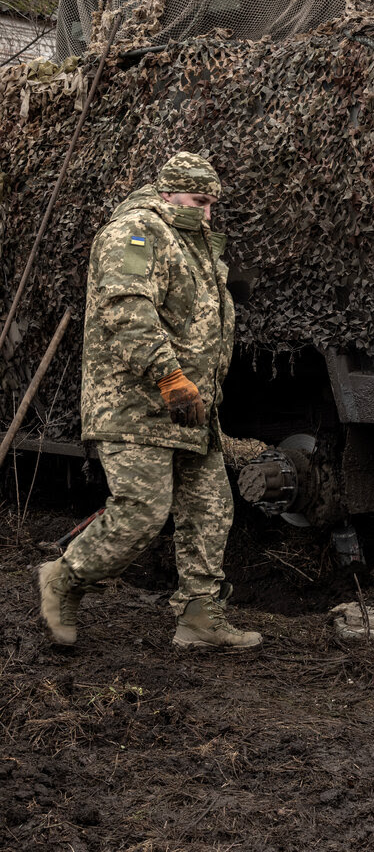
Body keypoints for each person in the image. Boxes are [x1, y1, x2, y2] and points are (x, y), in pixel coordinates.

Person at [37, 152, 261, 651]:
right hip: (136, 405)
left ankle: (199, 619)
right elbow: (126, 311)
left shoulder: (195, 244)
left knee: (211, 508)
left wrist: (197, 391)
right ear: (168, 193)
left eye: (211, 205)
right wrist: (171, 378)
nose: (207, 213)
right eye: (199, 202)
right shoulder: (135, 233)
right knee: (141, 510)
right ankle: (64, 578)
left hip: (189, 408)